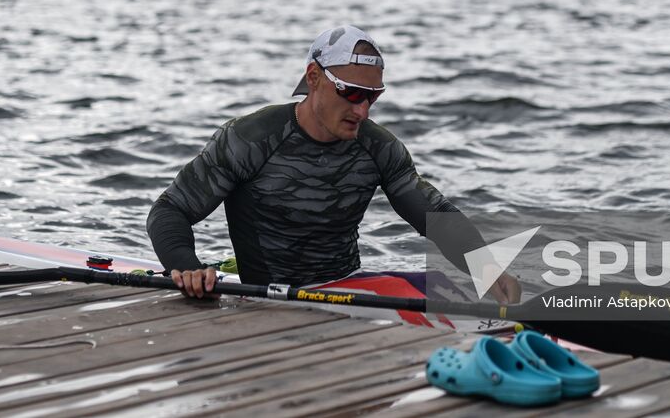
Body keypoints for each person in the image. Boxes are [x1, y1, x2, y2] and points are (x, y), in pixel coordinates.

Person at [146, 25, 521, 304]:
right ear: (314, 78)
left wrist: (486, 268)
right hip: (267, 300)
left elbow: (435, 216)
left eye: (372, 97)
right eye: (352, 94)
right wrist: (187, 267)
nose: (362, 111)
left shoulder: (379, 147)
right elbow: (169, 210)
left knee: (442, 287)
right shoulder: (250, 138)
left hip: (347, 292)